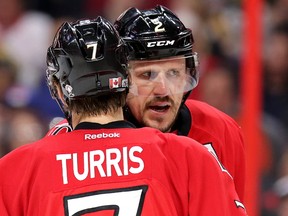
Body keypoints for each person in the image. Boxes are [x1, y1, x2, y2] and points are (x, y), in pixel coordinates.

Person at [0, 16, 247, 215]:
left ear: (60, 92)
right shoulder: (191, 155)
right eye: (147, 74)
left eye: (173, 72)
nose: (162, 89)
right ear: (125, 81)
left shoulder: (18, 168)